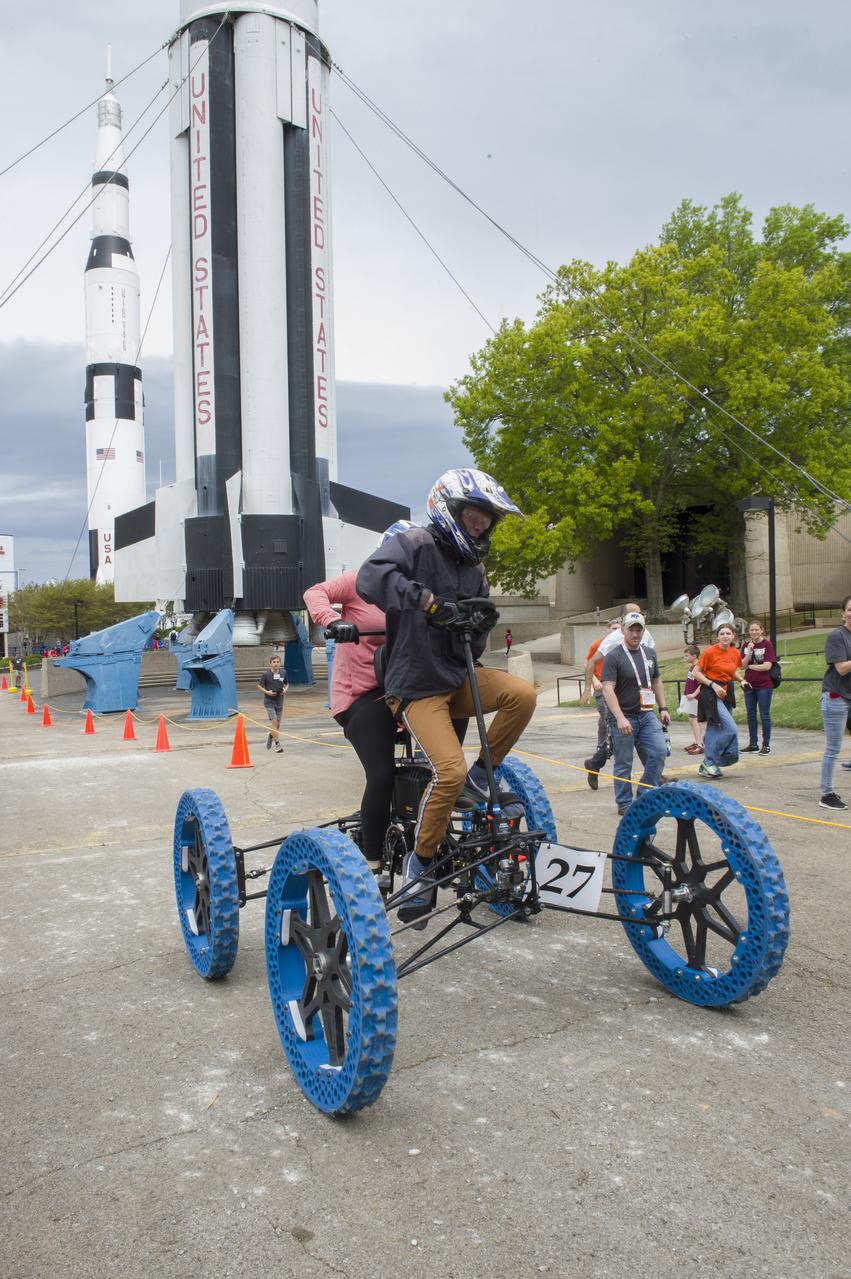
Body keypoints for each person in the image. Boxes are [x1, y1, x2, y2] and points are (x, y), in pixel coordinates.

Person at [356, 468, 537, 927]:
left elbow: (477, 635)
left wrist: (475, 626)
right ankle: (420, 864)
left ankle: (484, 773)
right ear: (452, 508)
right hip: (415, 688)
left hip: (457, 677)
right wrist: (424, 602)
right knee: (447, 770)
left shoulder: (474, 567)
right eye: (476, 513)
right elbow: (370, 578)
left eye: (488, 518)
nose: (481, 523)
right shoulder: (415, 543)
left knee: (522, 694)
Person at [303, 557, 399, 878]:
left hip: (403, 690)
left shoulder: (413, 589)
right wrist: (332, 621)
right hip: (361, 695)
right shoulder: (360, 581)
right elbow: (314, 593)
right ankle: (372, 861)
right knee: (382, 774)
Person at [600, 611, 671, 816]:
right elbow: (607, 688)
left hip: (647, 714)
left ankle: (644, 796)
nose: (635, 633)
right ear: (623, 630)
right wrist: (620, 717)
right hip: (624, 716)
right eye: (631, 629)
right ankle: (624, 803)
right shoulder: (614, 656)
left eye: (639, 629)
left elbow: (656, 681)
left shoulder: (649, 653)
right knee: (624, 763)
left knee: (658, 753)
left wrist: (663, 707)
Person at [692, 623, 744, 779]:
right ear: (717, 636)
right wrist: (713, 685)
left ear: (733, 636)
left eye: (728, 633)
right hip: (710, 692)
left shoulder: (734, 652)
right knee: (730, 728)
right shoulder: (709, 652)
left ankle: (709, 762)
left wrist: (742, 680)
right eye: (722, 633)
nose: (725, 636)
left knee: (715, 727)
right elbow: (696, 673)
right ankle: (710, 761)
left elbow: (732, 671)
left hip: (726, 692)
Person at [579, 618, 622, 789]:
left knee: (611, 727)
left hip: (620, 690)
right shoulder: (599, 644)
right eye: (613, 628)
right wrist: (593, 682)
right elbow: (588, 663)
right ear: (607, 628)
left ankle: (595, 762)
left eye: (619, 628)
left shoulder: (622, 645)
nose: (616, 631)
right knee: (611, 724)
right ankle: (598, 759)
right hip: (602, 689)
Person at [818, 595, 851, 811]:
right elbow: (841, 669)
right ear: (843, 613)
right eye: (850, 609)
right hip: (836, 697)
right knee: (833, 748)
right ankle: (826, 794)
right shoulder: (837, 636)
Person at [740, 620, 777, 755]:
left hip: (764, 685)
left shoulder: (767, 644)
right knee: (750, 715)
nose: (754, 632)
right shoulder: (745, 645)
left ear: (761, 630)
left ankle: (766, 745)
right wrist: (749, 653)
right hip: (749, 684)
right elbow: (741, 665)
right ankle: (753, 743)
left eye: (756, 630)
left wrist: (750, 666)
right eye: (751, 630)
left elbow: (767, 666)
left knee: (764, 714)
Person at [256, 654, 288, 753]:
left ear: (280, 663)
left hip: (279, 701)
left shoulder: (283, 672)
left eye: (277, 662)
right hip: (269, 702)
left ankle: (271, 735)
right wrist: (267, 692)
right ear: (270, 663)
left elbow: (286, 684)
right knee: (274, 721)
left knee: (277, 725)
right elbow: (259, 686)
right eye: (274, 662)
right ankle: (277, 745)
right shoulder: (266, 675)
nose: (276, 664)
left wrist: (285, 690)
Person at [677, 644, 704, 754]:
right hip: (690, 697)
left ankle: (699, 744)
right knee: (692, 719)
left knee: (694, 719)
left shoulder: (698, 667)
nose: (685, 658)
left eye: (686, 656)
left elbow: (702, 683)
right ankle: (698, 741)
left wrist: (694, 694)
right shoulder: (692, 667)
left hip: (696, 698)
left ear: (694, 656)